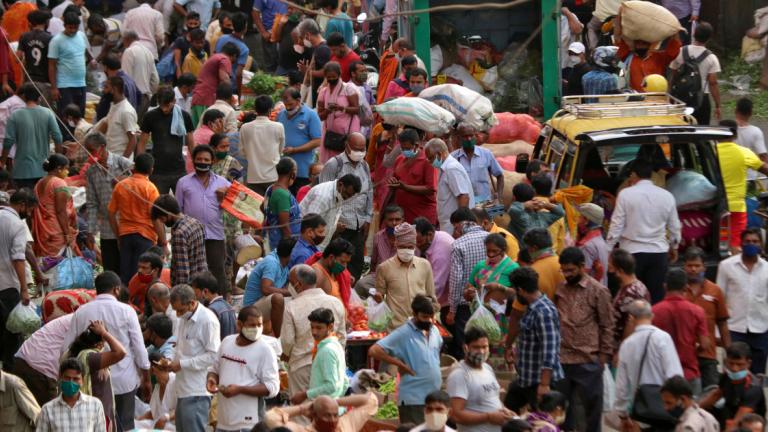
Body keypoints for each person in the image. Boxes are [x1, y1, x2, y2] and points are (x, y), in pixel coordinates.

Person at [59, 271, 150, 431]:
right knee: (124, 426)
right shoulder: (127, 311)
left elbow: (66, 348)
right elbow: (139, 348)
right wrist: (146, 378)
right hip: (123, 381)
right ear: (116, 289)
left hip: (91, 383)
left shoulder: (82, 311)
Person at [553, 247, 614, 432]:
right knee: (561, 409)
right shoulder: (560, 289)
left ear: (582, 266)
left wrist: (603, 357)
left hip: (588, 358)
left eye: (571, 270)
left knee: (592, 409)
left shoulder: (598, 291)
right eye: (564, 270)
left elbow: (607, 325)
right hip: (563, 358)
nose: (567, 274)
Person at [607, 158, 682, 304]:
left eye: (630, 175)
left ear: (634, 174)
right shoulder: (667, 196)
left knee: (632, 298)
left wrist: (608, 250)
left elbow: (616, 225)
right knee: (656, 298)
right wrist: (674, 246)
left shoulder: (625, 195)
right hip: (658, 253)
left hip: (631, 254)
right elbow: (674, 226)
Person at [369, 295, 442, 424]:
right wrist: (399, 364)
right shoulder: (403, 333)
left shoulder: (434, 330)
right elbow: (374, 350)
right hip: (413, 400)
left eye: (431, 317)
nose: (429, 321)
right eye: (424, 317)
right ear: (414, 314)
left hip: (434, 398)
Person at [611, 299, 683, 429]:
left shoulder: (627, 344)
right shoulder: (663, 338)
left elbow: (621, 386)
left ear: (631, 318)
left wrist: (623, 414)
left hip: (640, 411)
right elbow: (675, 375)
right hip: (665, 408)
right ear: (652, 316)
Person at [206, 305, 280, 431]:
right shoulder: (227, 342)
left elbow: (272, 387)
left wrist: (240, 389)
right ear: (239, 325)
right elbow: (214, 369)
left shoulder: (265, 350)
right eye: (252, 325)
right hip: (223, 420)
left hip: (249, 423)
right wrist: (212, 379)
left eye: (259, 325)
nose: (257, 329)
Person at [281, 264, 345, 397]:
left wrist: (287, 356)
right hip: (329, 363)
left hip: (301, 366)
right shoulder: (336, 303)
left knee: (302, 408)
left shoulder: (292, 307)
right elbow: (341, 337)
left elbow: (287, 342)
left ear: (298, 284)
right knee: (328, 404)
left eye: (291, 282)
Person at [176, 144, 232, 292]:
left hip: (215, 234)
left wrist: (226, 195)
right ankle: (194, 301)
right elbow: (178, 211)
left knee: (217, 271)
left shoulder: (223, 183)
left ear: (212, 161)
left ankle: (220, 302)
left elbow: (237, 202)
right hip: (191, 235)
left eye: (206, 159)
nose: (202, 162)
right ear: (193, 160)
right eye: (199, 159)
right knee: (194, 273)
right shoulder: (183, 183)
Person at [166, 284, 220, 432]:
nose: (177, 315)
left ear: (191, 303)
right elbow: (176, 344)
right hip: (182, 388)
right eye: (175, 310)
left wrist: (182, 364)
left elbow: (213, 356)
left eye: (180, 310)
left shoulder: (208, 320)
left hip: (197, 390)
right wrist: (168, 359)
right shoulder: (183, 318)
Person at [318, 132, 371, 279]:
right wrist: (332, 225)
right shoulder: (334, 165)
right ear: (347, 146)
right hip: (339, 227)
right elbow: (324, 194)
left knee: (356, 265)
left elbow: (369, 192)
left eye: (363, 149)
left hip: (358, 225)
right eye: (356, 149)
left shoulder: (365, 166)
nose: (360, 153)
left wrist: (368, 218)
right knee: (337, 266)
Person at [509, 267, 563, 411]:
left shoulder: (543, 312)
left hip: (540, 381)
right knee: (510, 405)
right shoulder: (532, 307)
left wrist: (544, 385)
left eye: (515, 290)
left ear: (520, 290)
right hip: (527, 378)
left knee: (540, 419)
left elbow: (550, 351)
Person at [716, 228, 768, 375]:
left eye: (755, 241)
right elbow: (719, 298)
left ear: (761, 244)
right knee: (733, 372)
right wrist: (718, 332)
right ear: (741, 243)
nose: (751, 244)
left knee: (757, 375)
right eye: (748, 241)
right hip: (734, 328)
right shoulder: (726, 266)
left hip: (760, 329)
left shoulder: (766, 269)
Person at [652, 268, 710, 395]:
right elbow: (705, 344)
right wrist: (693, 350)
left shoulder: (654, 311)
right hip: (689, 372)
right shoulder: (697, 311)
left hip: (662, 374)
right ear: (685, 287)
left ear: (665, 286)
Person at [108, 153, 162, 284]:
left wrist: (118, 236)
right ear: (151, 170)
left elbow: (111, 213)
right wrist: (163, 241)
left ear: (134, 167)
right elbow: (155, 217)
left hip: (125, 235)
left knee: (125, 274)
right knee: (143, 275)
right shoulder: (150, 188)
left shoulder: (121, 185)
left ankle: (125, 296)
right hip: (146, 236)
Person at [447, 327, 513, 432]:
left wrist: (505, 410)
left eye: (484, 347)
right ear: (465, 348)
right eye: (476, 347)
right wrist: (488, 417)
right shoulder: (460, 375)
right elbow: (455, 415)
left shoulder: (487, 368)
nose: (481, 351)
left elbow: (492, 398)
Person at [65, 320, 127, 431]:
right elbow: (121, 352)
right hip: (97, 417)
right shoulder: (91, 358)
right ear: (99, 344)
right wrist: (104, 333)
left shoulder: (82, 355)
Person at [374, 223, 437, 330]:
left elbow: (431, 297)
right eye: (403, 247)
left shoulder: (425, 265)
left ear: (415, 246)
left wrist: (429, 315)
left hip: (419, 327)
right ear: (396, 245)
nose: (407, 250)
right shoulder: (384, 268)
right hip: (395, 328)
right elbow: (379, 298)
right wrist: (377, 298)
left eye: (410, 247)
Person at [683, 246, 730, 390]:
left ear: (704, 267)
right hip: (683, 356)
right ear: (684, 267)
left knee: (711, 394)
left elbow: (722, 323)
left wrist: (729, 353)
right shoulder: (677, 290)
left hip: (708, 355)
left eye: (697, 266)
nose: (693, 269)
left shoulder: (715, 290)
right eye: (690, 265)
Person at [717, 121, 768, 250]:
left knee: (716, 242)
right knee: (735, 244)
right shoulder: (743, 152)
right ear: (735, 134)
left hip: (715, 207)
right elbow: (765, 169)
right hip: (737, 208)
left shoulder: (712, 152)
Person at [1, 84, 62, 190]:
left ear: (24, 97)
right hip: (43, 169)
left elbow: (8, 141)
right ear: (40, 97)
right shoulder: (48, 113)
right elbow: (58, 137)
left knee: (24, 198)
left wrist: (2, 161)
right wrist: (58, 161)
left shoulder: (15, 115)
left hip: (21, 170)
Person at [139, 86, 195, 194]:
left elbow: (191, 142)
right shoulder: (150, 116)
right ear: (158, 102)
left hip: (178, 169)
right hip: (157, 171)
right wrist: (141, 166)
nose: (164, 109)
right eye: (162, 105)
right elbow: (142, 143)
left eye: (167, 105)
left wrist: (196, 162)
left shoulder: (184, 116)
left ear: (174, 101)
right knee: (158, 202)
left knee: (182, 202)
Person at [447, 215, 489, 359]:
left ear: (460, 228)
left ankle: (468, 366)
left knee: (466, 343)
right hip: (489, 301)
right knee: (485, 341)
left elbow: (456, 279)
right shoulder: (491, 238)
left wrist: (452, 310)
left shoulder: (458, 244)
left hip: (465, 304)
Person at [0, 189, 33, 370]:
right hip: (7, 285)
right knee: (12, 330)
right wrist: (24, 289)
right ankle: (10, 371)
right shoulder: (17, 225)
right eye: (29, 210)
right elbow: (18, 258)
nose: (29, 214)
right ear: (22, 205)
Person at [699, 342, 766, 428]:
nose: (734, 369)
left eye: (739, 364)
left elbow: (737, 421)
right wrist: (695, 409)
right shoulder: (726, 376)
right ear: (726, 361)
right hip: (729, 415)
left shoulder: (753, 388)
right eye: (731, 363)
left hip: (746, 425)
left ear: (748, 363)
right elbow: (716, 395)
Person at [291, 307, 348, 404]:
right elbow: (345, 382)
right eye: (312, 327)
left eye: (319, 328)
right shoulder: (336, 345)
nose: (314, 332)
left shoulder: (327, 350)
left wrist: (305, 394)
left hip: (325, 406)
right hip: (332, 404)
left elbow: (331, 386)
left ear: (330, 327)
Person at [669, 22, 721, 125]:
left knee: (682, 128)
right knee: (702, 130)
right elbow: (713, 83)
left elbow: (674, 76)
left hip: (681, 97)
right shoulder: (711, 58)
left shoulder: (680, 52)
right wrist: (718, 105)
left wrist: (671, 98)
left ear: (694, 34)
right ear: (709, 38)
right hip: (702, 99)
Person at [151, 194, 208, 286]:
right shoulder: (196, 223)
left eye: (162, 219)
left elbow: (182, 272)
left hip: (189, 287)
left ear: (169, 214)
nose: (162, 222)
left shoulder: (179, 234)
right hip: (202, 282)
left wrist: (181, 292)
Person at [37, 358, 106, 432]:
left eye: (76, 379)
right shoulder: (48, 409)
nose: (71, 382)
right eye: (67, 378)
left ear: (82, 380)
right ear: (60, 378)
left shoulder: (95, 405)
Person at [244, 237, 295, 336]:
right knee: (278, 298)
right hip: (251, 309)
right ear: (291, 254)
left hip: (262, 303)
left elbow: (285, 286)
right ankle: (278, 337)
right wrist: (291, 292)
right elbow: (266, 289)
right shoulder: (272, 263)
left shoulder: (284, 263)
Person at [30, 154, 77, 259]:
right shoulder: (59, 183)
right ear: (59, 168)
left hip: (42, 229)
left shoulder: (39, 182)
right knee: (57, 263)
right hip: (56, 228)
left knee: (45, 262)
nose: (67, 172)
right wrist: (66, 233)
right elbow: (61, 211)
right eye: (66, 169)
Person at [424, 138, 474, 234]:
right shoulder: (444, 168)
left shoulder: (451, 168)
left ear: (439, 154)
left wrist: (460, 226)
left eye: (430, 158)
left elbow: (463, 197)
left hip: (454, 226)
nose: (429, 162)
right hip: (449, 225)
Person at [48, 12, 89, 127]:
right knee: (67, 118)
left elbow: (84, 54)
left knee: (80, 117)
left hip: (81, 83)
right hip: (65, 85)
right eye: (70, 27)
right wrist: (54, 88)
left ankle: (78, 137)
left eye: (75, 27)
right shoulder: (56, 41)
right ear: (64, 25)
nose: (72, 30)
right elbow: (51, 65)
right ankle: (65, 137)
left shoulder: (81, 36)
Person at [299, 173, 361, 248]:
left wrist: (334, 227)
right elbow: (309, 226)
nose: (347, 198)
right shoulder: (323, 196)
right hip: (308, 244)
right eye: (347, 194)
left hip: (319, 244)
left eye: (350, 196)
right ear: (340, 185)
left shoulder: (339, 193)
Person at [279, 87, 322, 194]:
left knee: (300, 199)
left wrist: (295, 150)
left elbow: (317, 141)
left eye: (290, 104)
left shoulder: (310, 115)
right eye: (285, 104)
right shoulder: (281, 115)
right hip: (284, 171)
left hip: (303, 170)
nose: (288, 107)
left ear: (298, 100)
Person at [317, 61, 361, 164]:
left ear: (339, 74)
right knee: (329, 164)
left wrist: (341, 108)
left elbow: (356, 109)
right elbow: (320, 116)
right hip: (330, 136)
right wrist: (327, 111)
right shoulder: (323, 92)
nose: (331, 79)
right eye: (329, 77)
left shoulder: (348, 89)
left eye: (334, 77)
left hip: (346, 134)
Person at [465, 234, 520, 317]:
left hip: (501, 317)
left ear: (503, 250)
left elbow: (519, 294)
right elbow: (467, 291)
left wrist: (499, 287)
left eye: (495, 251)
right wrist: (469, 293)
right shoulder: (480, 266)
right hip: (478, 316)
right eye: (488, 251)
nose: (491, 254)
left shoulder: (513, 268)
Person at [390, 128, 437, 224]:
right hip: (403, 216)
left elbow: (431, 188)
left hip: (423, 216)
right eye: (402, 148)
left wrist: (405, 187)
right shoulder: (399, 159)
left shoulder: (427, 161)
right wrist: (392, 184)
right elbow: (395, 181)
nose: (404, 151)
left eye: (407, 148)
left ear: (416, 145)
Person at [241, 95, 285, 196]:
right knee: (272, 204)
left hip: (253, 176)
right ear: (270, 110)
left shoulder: (245, 127)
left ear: (255, 109)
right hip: (272, 176)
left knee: (255, 205)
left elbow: (242, 151)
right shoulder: (278, 127)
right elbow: (281, 150)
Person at [268, 393, 379, 432]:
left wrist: (335, 402)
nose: (332, 420)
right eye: (327, 415)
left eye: (335, 415)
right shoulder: (301, 430)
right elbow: (270, 418)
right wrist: (301, 409)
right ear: (315, 416)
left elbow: (371, 400)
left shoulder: (345, 424)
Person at [450, 126, 504, 204]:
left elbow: (500, 175)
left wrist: (499, 197)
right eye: (465, 136)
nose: (469, 139)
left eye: (471, 136)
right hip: (464, 204)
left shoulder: (486, 154)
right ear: (459, 138)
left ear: (476, 136)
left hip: (485, 202)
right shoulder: (453, 158)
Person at [609, 248, 650, 348]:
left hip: (626, 348)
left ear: (620, 271)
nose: (609, 271)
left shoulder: (632, 292)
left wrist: (623, 350)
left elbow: (631, 324)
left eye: (611, 268)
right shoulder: (632, 287)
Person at [190, 42, 239, 125]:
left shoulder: (215, 57)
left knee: (199, 130)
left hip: (199, 98)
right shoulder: (225, 59)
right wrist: (231, 99)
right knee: (207, 129)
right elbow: (225, 80)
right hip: (205, 99)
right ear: (234, 55)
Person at [415, 217, 454, 314]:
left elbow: (437, 285)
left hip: (448, 302)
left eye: (419, 242)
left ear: (429, 234)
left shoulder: (441, 252)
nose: (417, 246)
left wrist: (419, 305)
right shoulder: (435, 237)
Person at [507, 183, 565, 248]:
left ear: (514, 197)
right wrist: (546, 204)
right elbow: (561, 213)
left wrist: (525, 205)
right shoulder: (542, 218)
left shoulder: (520, 216)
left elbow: (513, 209)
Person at [98, 76, 140, 157]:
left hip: (119, 158)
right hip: (109, 157)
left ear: (114, 89)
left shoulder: (126, 111)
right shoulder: (113, 105)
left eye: (106, 87)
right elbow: (106, 125)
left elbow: (133, 140)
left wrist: (122, 161)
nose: (103, 90)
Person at [265, 157, 301, 250]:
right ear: (292, 173)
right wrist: (291, 247)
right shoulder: (282, 194)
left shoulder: (272, 188)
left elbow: (263, 207)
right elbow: (284, 226)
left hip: (274, 237)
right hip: (282, 244)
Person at [121, 29, 159, 118]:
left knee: (132, 125)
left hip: (134, 98)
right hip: (146, 98)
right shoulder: (149, 52)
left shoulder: (129, 51)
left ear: (126, 39)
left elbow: (126, 79)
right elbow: (155, 80)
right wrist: (149, 95)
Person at [134, 351, 177, 430]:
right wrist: (137, 422)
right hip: (159, 424)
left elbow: (183, 409)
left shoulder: (175, 381)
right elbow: (152, 413)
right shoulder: (158, 387)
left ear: (153, 370)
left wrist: (166, 418)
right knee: (135, 425)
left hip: (175, 426)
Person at [191, 271, 236, 339]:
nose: (195, 297)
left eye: (196, 294)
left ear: (205, 291)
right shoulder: (228, 306)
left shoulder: (211, 311)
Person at [296, 18, 332, 105]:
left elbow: (327, 72)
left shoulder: (322, 50)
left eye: (301, 38)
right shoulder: (317, 48)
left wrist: (308, 71)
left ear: (307, 35)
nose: (300, 41)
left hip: (322, 94)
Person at [17, 10, 53, 94]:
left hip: (29, 79)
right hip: (45, 80)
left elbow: (18, 58)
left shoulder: (24, 36)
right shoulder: (50, 38)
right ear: (46, 22)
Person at [214, 12, 249, 94]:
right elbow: (238, 74)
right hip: (230, 87)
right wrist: (240, 92)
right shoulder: (244, 49)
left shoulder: (222, 38)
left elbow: (214, 56)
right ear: (245, 27)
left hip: (216, 81)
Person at [575, 203, 608, 286]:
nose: (577, 222)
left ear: (586, 220)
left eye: (580, 217)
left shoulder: (586, 245)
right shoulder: (601, 240)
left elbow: (582, 278)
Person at [735, 98, 768, 173]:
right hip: (749, 176)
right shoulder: (755, 131)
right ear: (751, 113)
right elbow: (763, 157)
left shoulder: (726, 129)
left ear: (735, 110)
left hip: (729, 175)